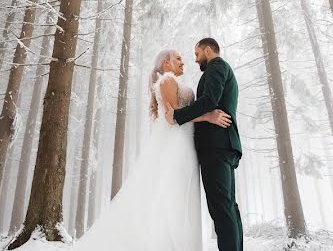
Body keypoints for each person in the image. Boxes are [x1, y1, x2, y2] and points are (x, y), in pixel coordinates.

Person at [73, 48, 231, 250]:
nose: (183, 62)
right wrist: (208, 116)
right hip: (176, 144)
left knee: (184, 194)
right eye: (178, 58)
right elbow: (173, 116)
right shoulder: (166, 80)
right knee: (172, 193)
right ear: (166, 63)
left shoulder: (174, 81)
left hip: (187, 144)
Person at [169, 37, 243, 251]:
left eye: (197, 54)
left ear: (208, 50)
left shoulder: (216, 67)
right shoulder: (221, 69)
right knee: (228, 207)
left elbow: (209, 99)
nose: (195, 59)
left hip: (216, 145)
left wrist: (177, 115)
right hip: (223, 145)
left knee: (221, 208)